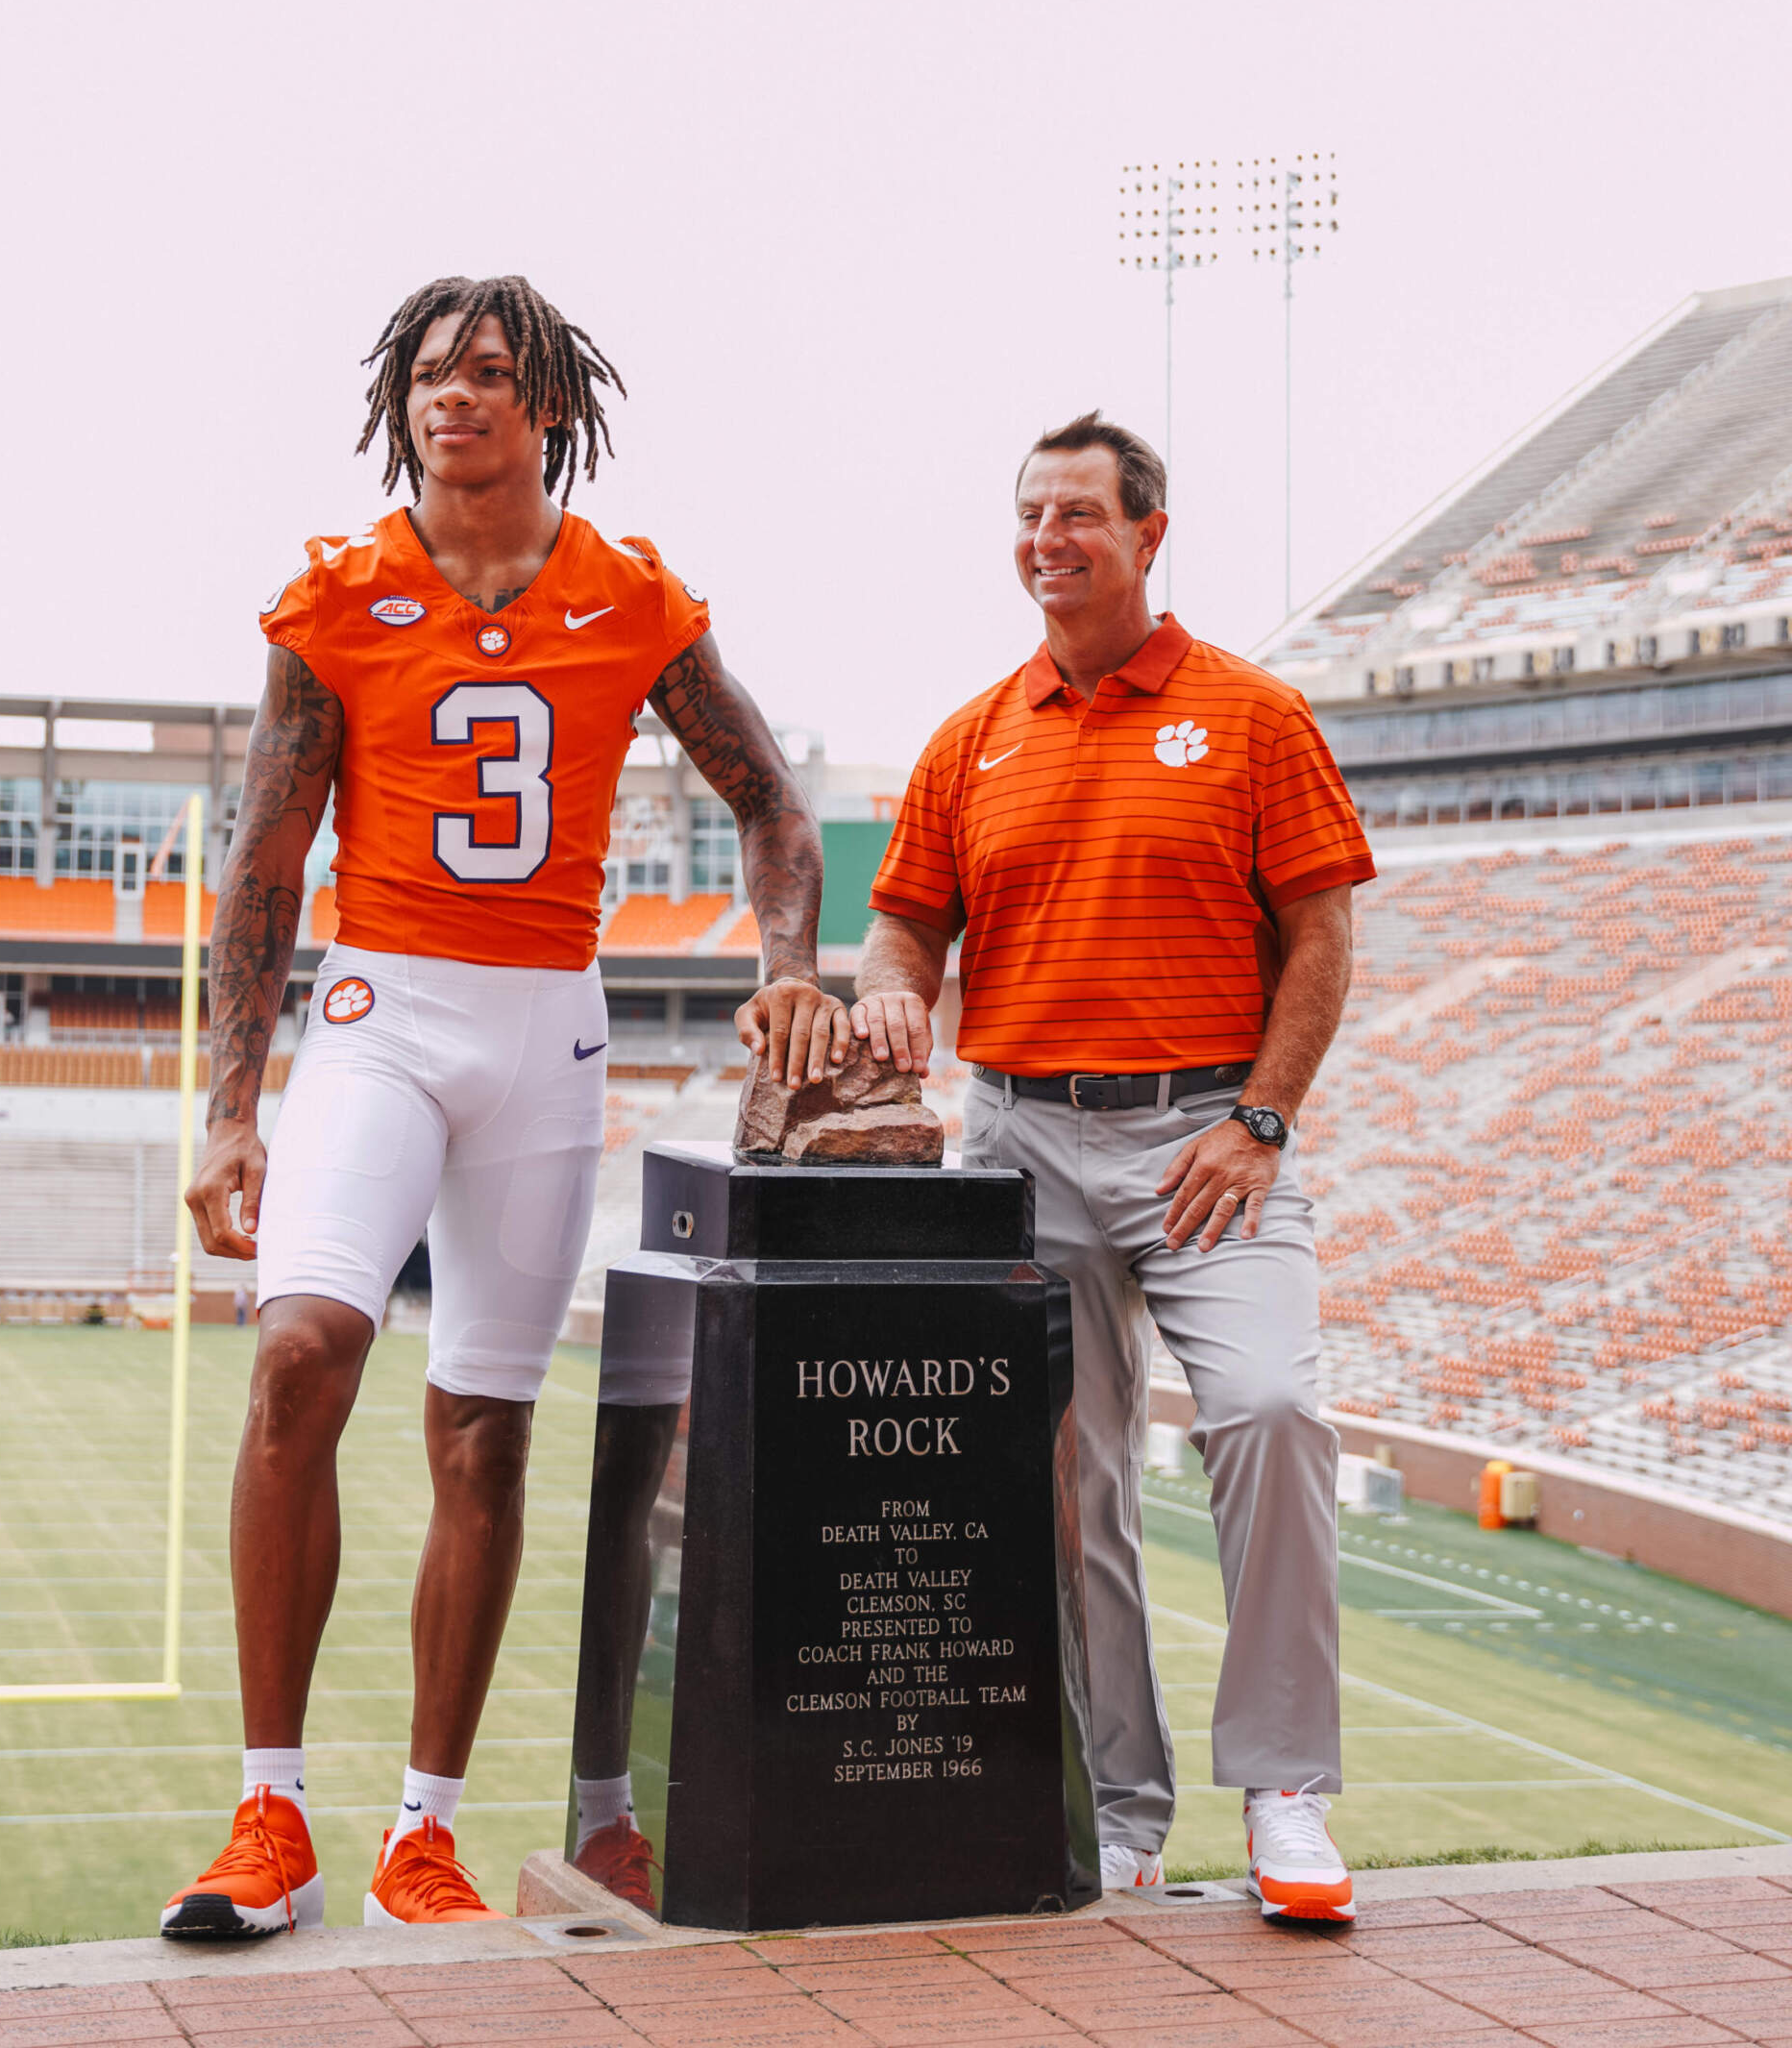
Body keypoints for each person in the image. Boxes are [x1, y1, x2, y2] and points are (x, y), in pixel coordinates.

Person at [161, 274, 849, 1937]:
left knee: (484, 1428)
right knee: (301, 1350)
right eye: (427, 374)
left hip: (546, 1027)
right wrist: (231, 1106)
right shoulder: (337, 597)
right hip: (380, 1012)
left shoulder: (629, 594)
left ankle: (425, 1835)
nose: (449, 397)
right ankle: (269, 1813)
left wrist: (787, 963)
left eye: (484, 372)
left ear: (547, 404)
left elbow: (772, 802)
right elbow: (265, 860)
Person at [851, 412, 1372, 1923]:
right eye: (1030, 513)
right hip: (1021, 1136)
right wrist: (892, 989)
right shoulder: (972, 736)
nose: (1047, 539)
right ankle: (1118, 1811)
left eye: (1078, 512)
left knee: (1271, 1409)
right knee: (1069, 1480)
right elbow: (905, 926)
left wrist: (1260, 1119)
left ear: (1149, 532)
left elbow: (1325, 936)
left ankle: (1286, 1791)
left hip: (1209, 1135)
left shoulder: (1254, 716)